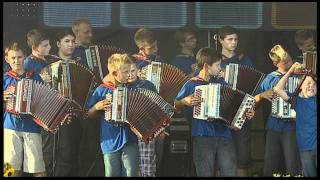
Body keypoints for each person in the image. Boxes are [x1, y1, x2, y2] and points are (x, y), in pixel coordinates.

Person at [174, 47, 255, 177]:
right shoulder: (191, 84)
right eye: (217, 65)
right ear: (206, 66)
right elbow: (175, 106)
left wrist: (247, 112)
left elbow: (235, 103)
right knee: (205, 172)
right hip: (202, 134)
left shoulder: (222, 83)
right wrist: (184, 101)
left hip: (224, 134)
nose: (220, 68)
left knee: (230, 171)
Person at [86, 53, 139, 177]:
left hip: (130, 137)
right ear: (115, 74)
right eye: (125, 72)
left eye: (130, 71)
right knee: (111, 172)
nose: (129, 75)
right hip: (109, 138)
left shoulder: (134, 88)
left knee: (131, 171)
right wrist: (96, 107)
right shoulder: (102, 89)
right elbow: (89, 114)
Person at [255, 45, 302, 176]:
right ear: (275, 63)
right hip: (274, 125)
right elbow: (255, 100)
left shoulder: (301, 75)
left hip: (294, 125)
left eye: (288, 57)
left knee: (293, 164)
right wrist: (262, 95)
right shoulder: (271, 77)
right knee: (272, 164)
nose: (288, 61)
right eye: (284, 60)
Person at [41, 29, 81, 176]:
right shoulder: (48, 63)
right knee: (48, 157)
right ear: (58, 43)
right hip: (50, 117)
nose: (71, 45)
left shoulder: (79, 63)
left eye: (73, 41)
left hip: (73, 117)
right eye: (66, 41)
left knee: (69, 155)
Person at [3, 42, 46, 177]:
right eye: (13, 58)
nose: (16, 61)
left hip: (31, 126)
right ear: (7, 59)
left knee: (37, 168)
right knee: (9, 167)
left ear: (25, 57)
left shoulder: (35, 77)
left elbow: (44, 100)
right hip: (10, 126)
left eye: (20, 57)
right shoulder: (5, 78)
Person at [217, 25, 254, 176]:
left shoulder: (245, 60)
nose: (234, 43)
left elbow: (253, 88)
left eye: (236, 39)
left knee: (242, 159)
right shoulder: (214, 61)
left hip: (241, 114)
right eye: (230, 39)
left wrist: (251, 108)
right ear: (221, 40)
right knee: (218, 162)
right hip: (218, 116)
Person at [273, 62, 317, 177]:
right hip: (305, 148)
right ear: (300, 86)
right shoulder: (297, 101)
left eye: (314, 84)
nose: (311, 86)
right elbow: (277, 89)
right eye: (308, 83)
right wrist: (291, 70)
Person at [127, 62, 166, 177]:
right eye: (126, 71)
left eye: (133, 71)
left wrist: (160, 128)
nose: (130, 74)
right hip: (127, 132)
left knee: (148, 166)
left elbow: (158, 107)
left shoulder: (148, 85)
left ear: (138, 70)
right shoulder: (121, 86)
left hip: (146, 129)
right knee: (131, 167)